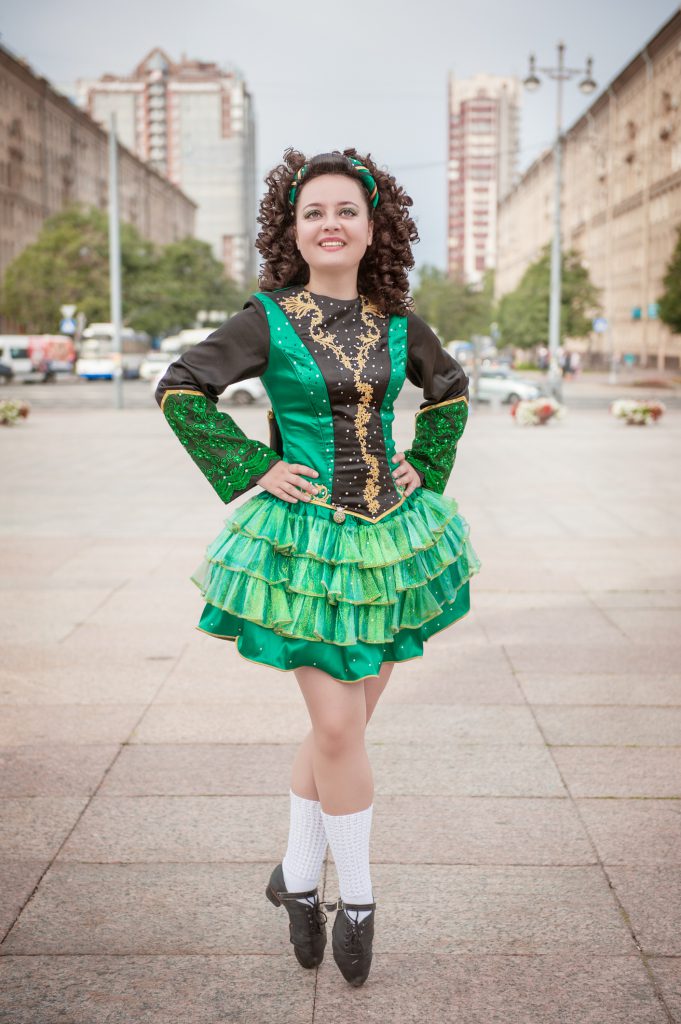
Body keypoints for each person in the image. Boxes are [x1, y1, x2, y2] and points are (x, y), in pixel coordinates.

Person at [155, 148, 481, 988]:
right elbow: (181, 386)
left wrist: (425, 465)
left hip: (390, 546)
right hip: (301, 546)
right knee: (338, 728)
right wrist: (249, 469)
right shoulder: (268, 317)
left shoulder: (402, 324)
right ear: (292, 231)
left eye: (344, 211)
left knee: (344, 729)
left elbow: (448, 390)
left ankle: (297, 879)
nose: (328, 224)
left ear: (373, 228)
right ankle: (360, 900)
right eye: (312, 213)